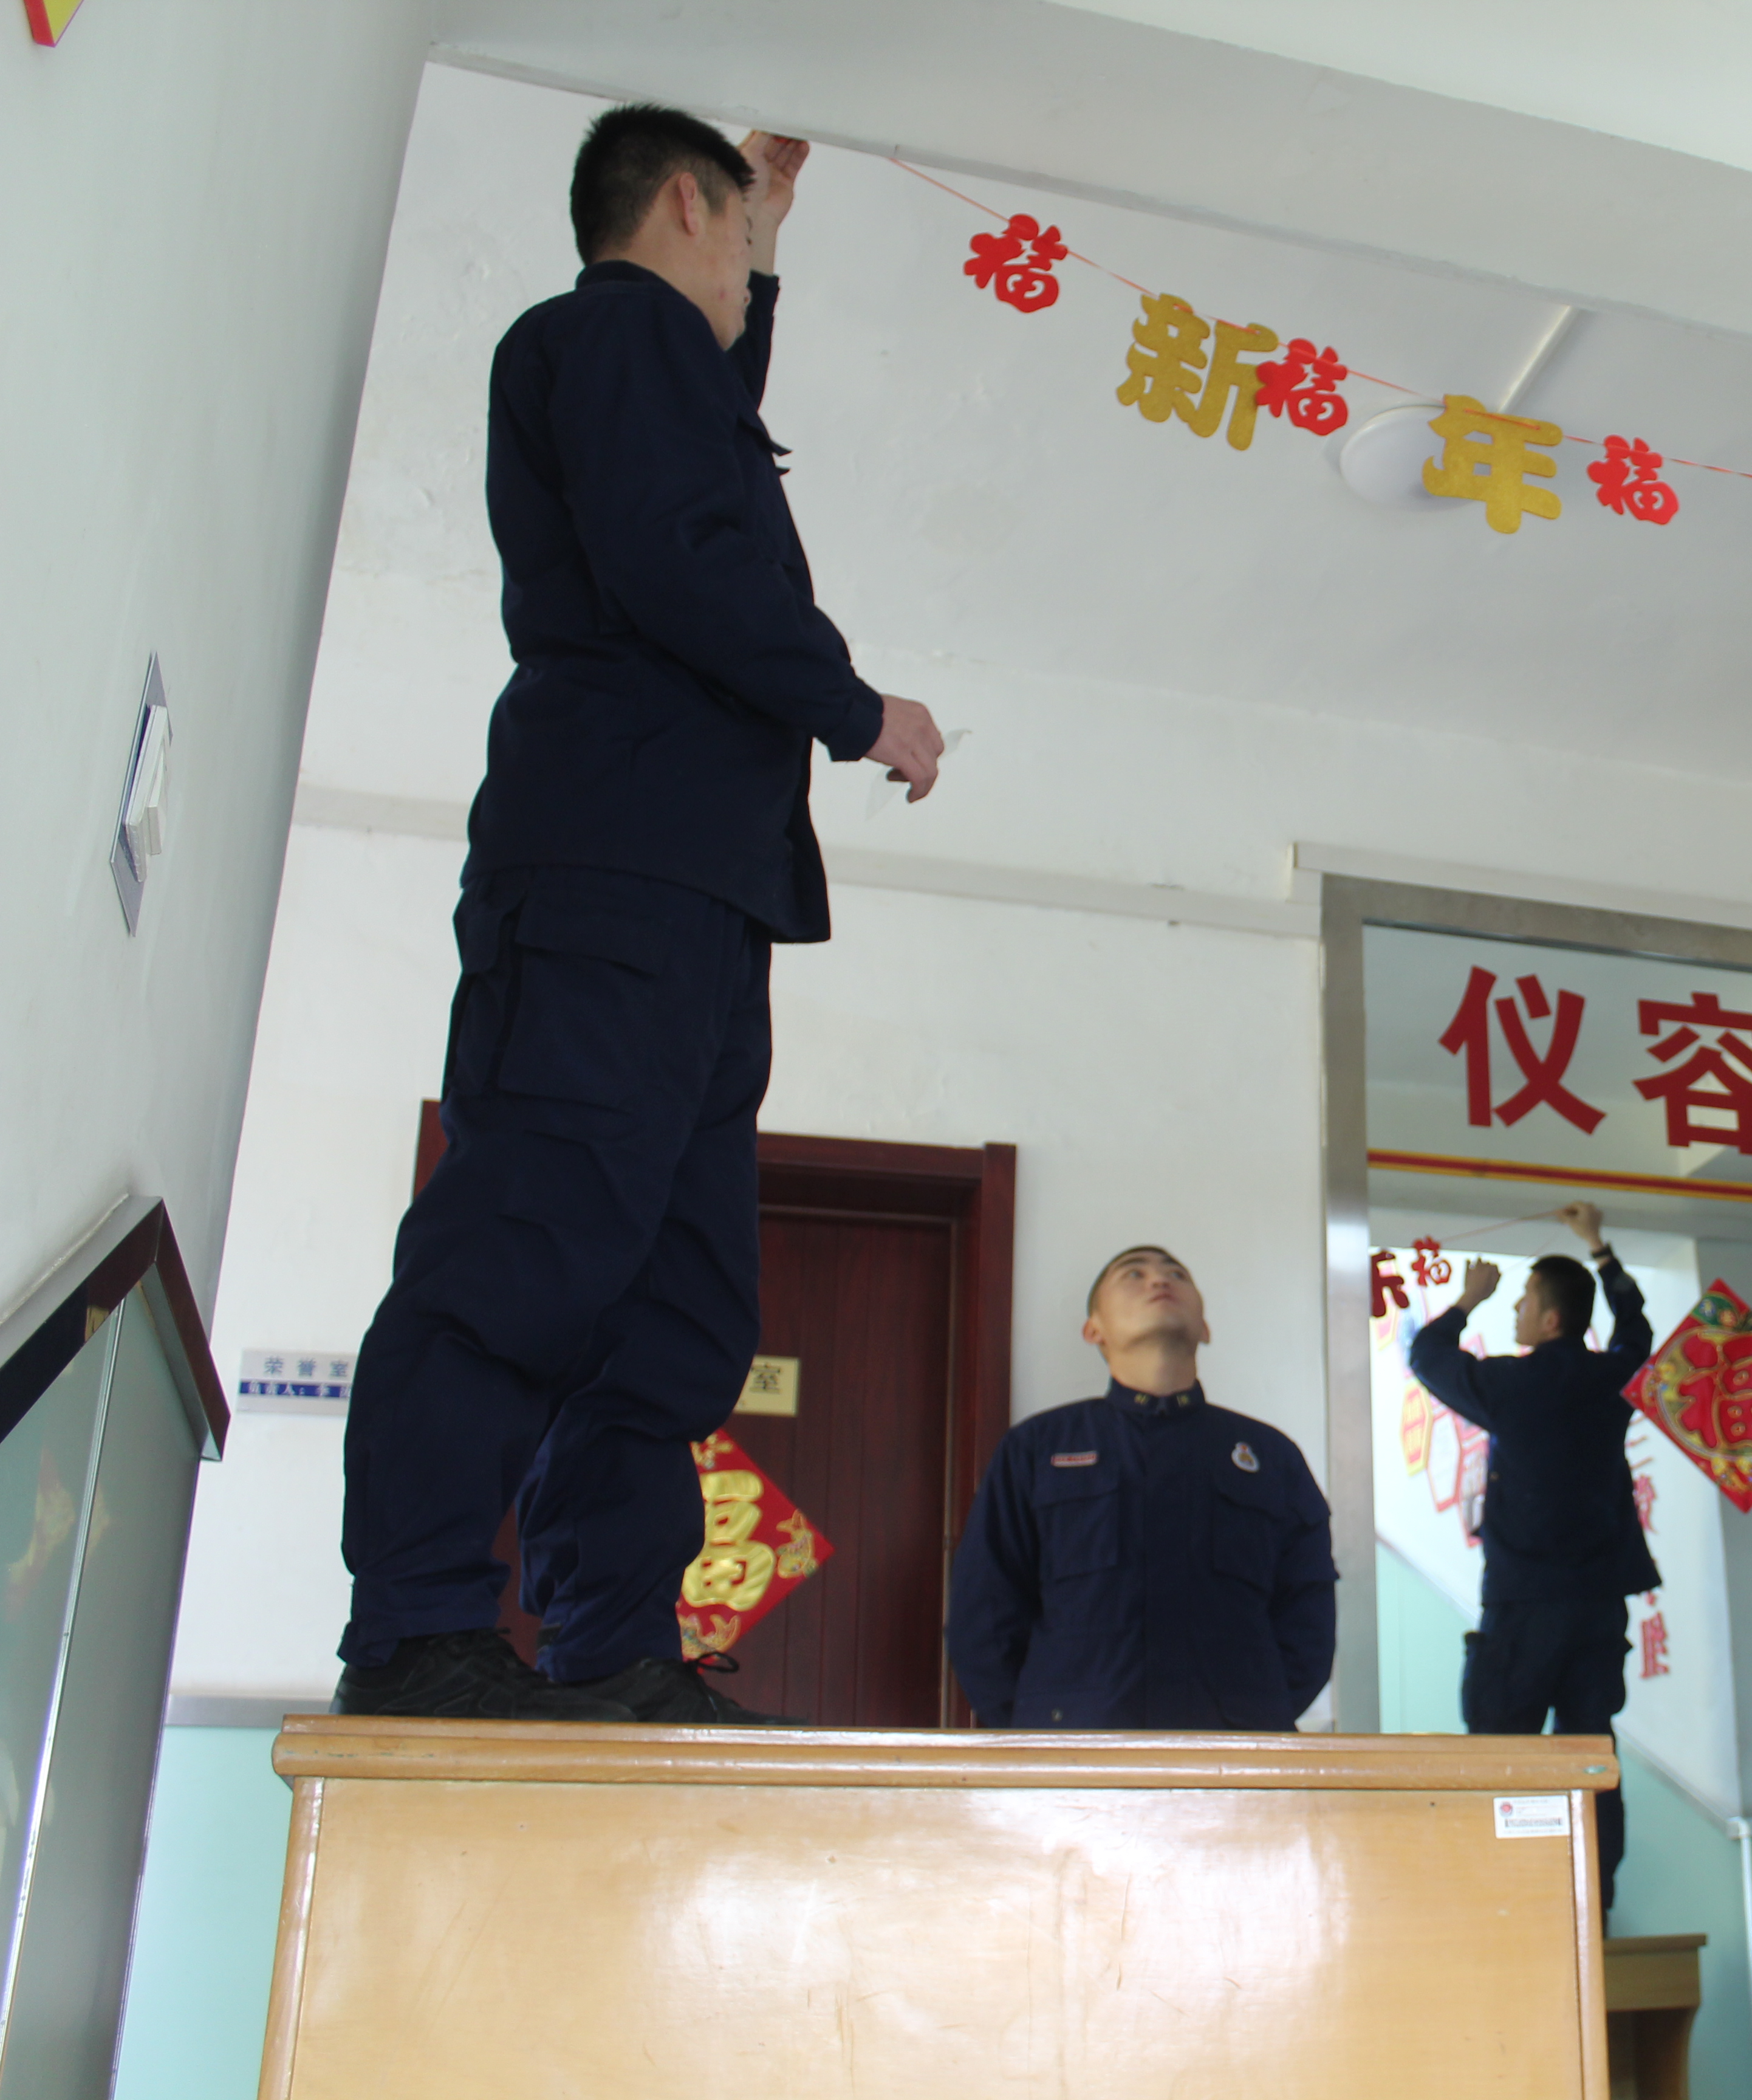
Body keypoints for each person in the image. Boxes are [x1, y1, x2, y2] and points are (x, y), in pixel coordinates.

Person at [331, 106, 949, 1726]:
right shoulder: (603, 337)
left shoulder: (652, 369)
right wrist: (856, 709)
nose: (746, 281)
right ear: (685, 202)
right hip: (611, 871)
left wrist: (771, 246)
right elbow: (686, 546)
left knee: (678, 1300)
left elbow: (703, 449)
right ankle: (415, 1627)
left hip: (694, 897)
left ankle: (610, 1646)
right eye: (737, 238)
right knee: (530, 1238)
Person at [946, 1247, 1337, 1729]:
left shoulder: (1270, 1457)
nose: (1159, 1281)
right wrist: (1038, 1731)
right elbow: (983, 1614)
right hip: (1071, 1755)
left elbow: (1308, 1621)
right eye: (1134, 1274)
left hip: (1237, 1756)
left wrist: (1254, 1713)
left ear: (1205, 1327)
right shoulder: (1037, 1449)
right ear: (1094, 1329)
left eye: (1177, 1274)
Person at [1408, 1204, 1657, 1907]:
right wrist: (1600, 1249)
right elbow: (1637, 1332)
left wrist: (1468, 1300)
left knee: (1503, 1746)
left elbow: (1427, 1357)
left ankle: (1504, 1900)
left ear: (1549, 1320)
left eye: (1522, 1301)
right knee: (1590, 1745)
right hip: (1599, 1604)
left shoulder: (1512, 1387)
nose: (1515, 1310)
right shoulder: (1613, 1380)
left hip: (1523, 1603)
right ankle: (1594, 1902)